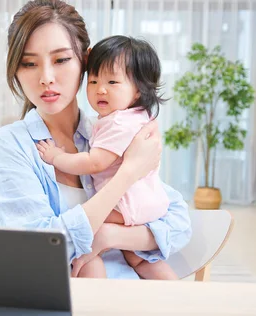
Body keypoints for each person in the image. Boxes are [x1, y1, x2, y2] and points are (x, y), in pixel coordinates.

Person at [0, 0, 191, 279]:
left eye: (61, 60)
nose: (46, 78)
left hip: (138, 294)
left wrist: (108, 236)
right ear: (16, 70)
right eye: (29, 63)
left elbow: (178, 222)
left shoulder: (107, 132)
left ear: (86, 59)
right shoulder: (11, 145)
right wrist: (127, 174)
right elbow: (38, 251)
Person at [36, 35, 177, 279]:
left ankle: (97, 291)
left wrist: (57, 157)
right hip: (146, 201)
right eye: (93, 81)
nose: (100, 89)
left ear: (138, 90)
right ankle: (178, 293)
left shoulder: (119, 123)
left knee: (86, 236)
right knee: (139, 258)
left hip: (127, 203)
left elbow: (95, 162)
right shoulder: (137, 117)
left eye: (113, 82)